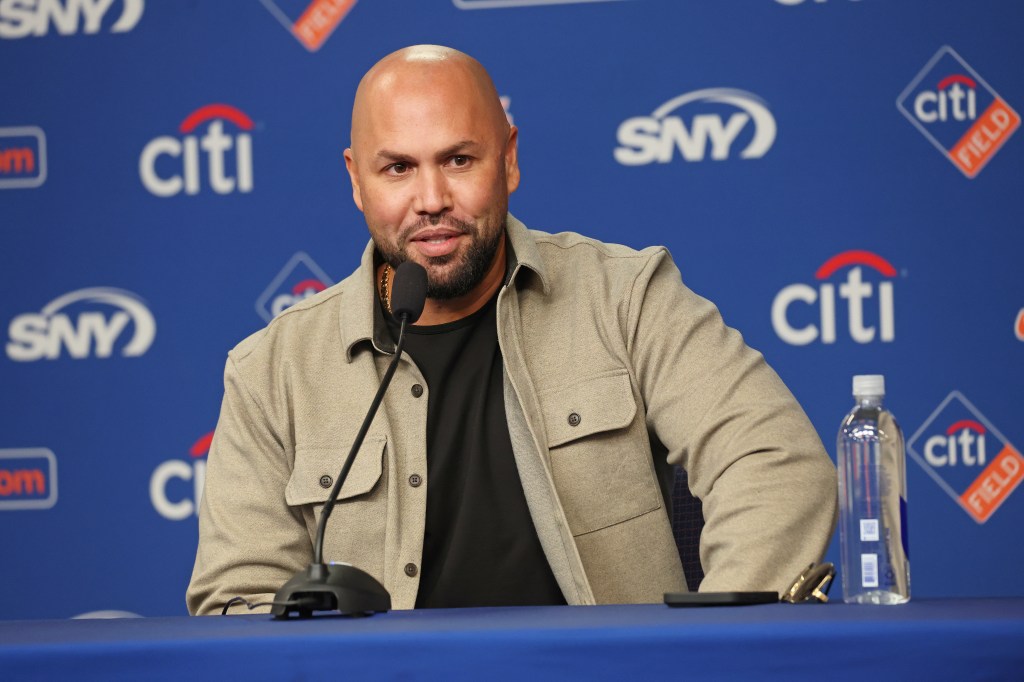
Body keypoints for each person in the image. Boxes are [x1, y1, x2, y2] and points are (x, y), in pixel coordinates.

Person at [186, 45, 837, 615]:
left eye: (459, 160)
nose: (431, 197)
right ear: (357, 182)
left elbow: (773, 462)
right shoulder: (272, 369)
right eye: (398, 169)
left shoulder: (626, 296)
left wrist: (709, 660)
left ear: (509, 160)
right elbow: (238, 597)